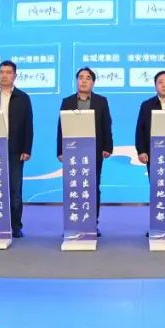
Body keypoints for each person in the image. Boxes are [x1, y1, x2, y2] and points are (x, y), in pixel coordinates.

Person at [56, 67, 113, 233]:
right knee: (74, 186)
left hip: (94, 151)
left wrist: (108, 146)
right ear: (76, 81)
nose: (84, 81)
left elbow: (106, 124)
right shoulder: (67, 101)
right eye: (81, 77)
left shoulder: (101, 101)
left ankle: (92, 223)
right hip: (72, 151)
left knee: (92, 186)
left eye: (88, 78)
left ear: (93, 82)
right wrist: (60, 150)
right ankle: (72, 223)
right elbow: (61, 127)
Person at [0, 60, 33, 238]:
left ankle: (16, 226)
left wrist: (27, 149)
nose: (4, 75)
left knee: (15, 190)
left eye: (8, 72)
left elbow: (28, 125)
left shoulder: (23, 98)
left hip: (15, 150)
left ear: (15, 76)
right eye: (1, 72)